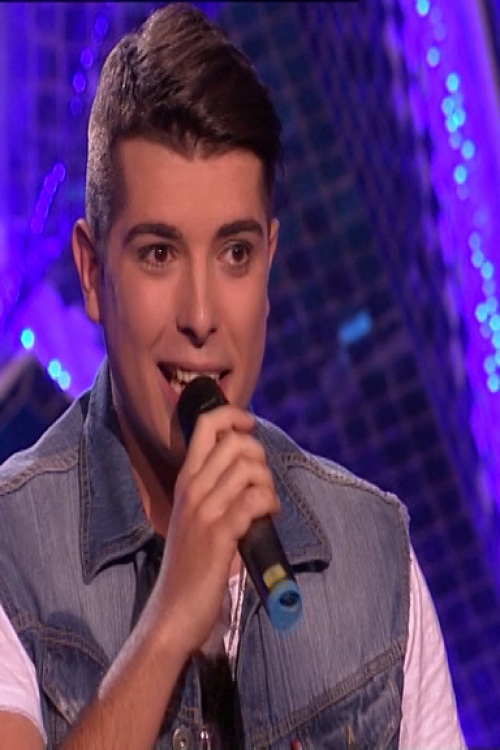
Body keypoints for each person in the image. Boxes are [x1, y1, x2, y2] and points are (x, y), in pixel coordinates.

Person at [0, 3, 466, 748]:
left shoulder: (373, 553)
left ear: (269, 264)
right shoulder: (11, 548)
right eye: (158, 254)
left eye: (235, 254)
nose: (201, 315)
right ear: (91, 274)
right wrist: (169, 623)